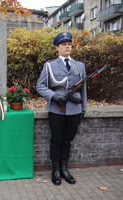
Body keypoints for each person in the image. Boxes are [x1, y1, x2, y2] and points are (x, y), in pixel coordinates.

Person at [36, 32, 87, 186]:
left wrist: (83, 108)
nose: (67, 46)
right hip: (57, 109)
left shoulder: (80, 66)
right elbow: (40, 86)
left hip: (74, 109)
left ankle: (65, 169)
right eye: (64, 44)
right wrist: (53, 96)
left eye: (69, 44)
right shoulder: (50, 65)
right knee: (56, 140)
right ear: (57, 48)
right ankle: (56, 170)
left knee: (67, 140)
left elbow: (84, 90)